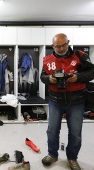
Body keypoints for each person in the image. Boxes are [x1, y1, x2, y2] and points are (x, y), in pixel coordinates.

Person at [40, 33, 94, 170]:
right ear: (53, 46)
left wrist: (78, 77)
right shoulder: (47, 59)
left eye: (64, 44)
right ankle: (52, 154)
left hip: (76, 101)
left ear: (68, 42)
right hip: (55, 101)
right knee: (52, 130)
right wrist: (49, 79)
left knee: (75, 133)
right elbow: (42, 76)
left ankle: (72, 158)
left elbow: (92, 71)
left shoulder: (80, 55)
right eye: (58, 46)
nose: (62, 48)